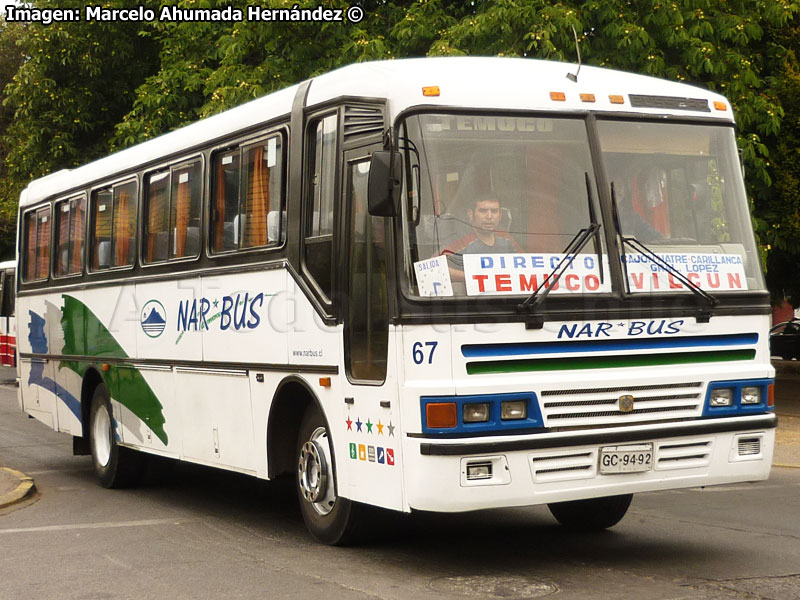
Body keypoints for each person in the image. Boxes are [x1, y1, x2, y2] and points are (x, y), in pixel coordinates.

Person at [441, 196, 522, 281]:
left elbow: (527, 264)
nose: (489, 216)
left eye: (494, 211)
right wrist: (473, 278)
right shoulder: (461, 242)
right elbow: (435, 267)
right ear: (470, 214)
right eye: (483, 211)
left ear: (500, 215)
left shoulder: (505, 238)